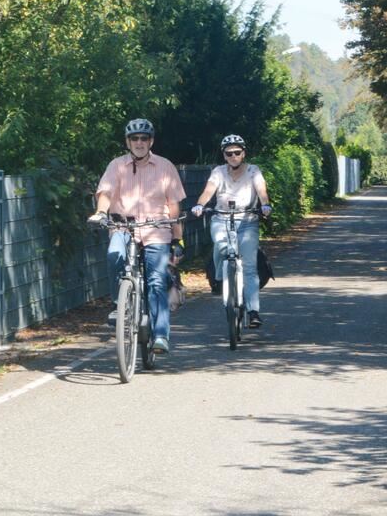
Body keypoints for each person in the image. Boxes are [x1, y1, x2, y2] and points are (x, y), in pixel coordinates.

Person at [87, 119, 186, 353]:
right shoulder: (116, 165)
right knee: (114, 255)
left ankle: (161, 335)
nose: (139, 142)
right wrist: (101, 212)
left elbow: (174, 205)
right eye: (134, 139)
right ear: (127, 142)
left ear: (151, 141)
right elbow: (106, 191)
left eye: (144, 138)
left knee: (156, 282)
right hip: (124, 227)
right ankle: (117, 304)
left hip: (157, 231)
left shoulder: (165, 166)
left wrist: (177, 240)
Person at [191, 134, 271, 328]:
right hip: (222, 219)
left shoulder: (253, 171)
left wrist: (265, 205)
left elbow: (261, 190)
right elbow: (208, 191)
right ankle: (218, 278)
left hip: (248, 221)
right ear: (224, 155)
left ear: (243, 153)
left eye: (237, 152)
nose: (233, 156)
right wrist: (200, 205)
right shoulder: (218, 172)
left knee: (250, 266)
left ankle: (253, 311)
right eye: (229, 153)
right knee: (220, 243)